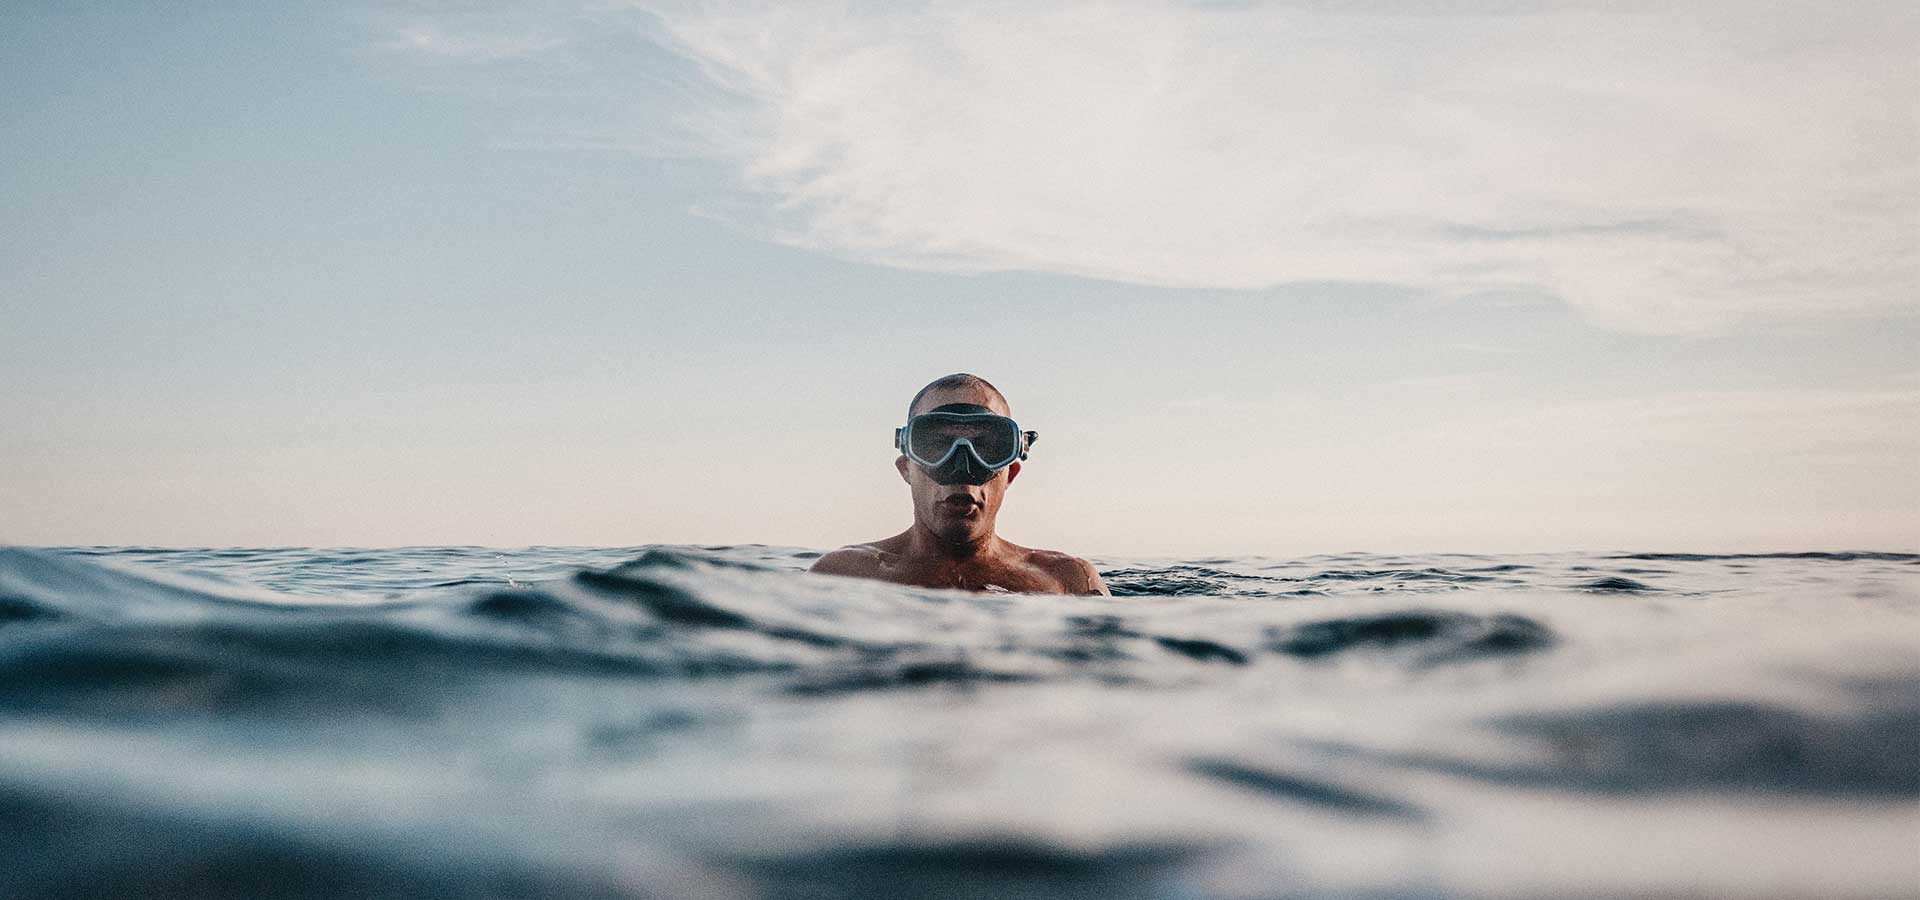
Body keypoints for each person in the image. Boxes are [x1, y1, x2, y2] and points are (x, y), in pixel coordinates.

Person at [809, 374, 1110, 595]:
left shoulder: (1069, 581)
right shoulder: (843, 575)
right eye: (935, 446)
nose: (961, 467)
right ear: (906, 470)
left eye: (989, 447)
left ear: (1011, 475)